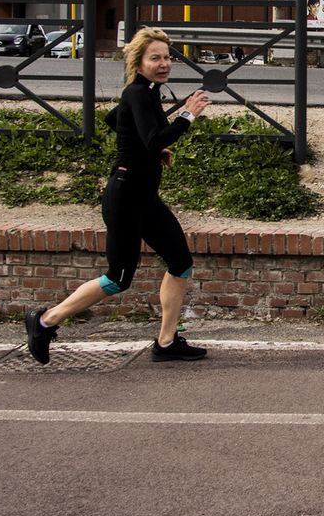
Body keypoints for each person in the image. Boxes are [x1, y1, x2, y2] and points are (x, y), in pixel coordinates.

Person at [25, 26, 212, 364]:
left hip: (144, 198)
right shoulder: (139, 93)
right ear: (138, 62)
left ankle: (166, 343)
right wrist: (187, 115)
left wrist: (150, 153)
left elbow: (116, 120)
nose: (163, 63)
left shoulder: (147, 93)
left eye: (167, 57)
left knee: (181, 262)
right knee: (118, 278)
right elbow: (153, 137)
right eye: (155, 58)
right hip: (126, 198)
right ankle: (44, 321)